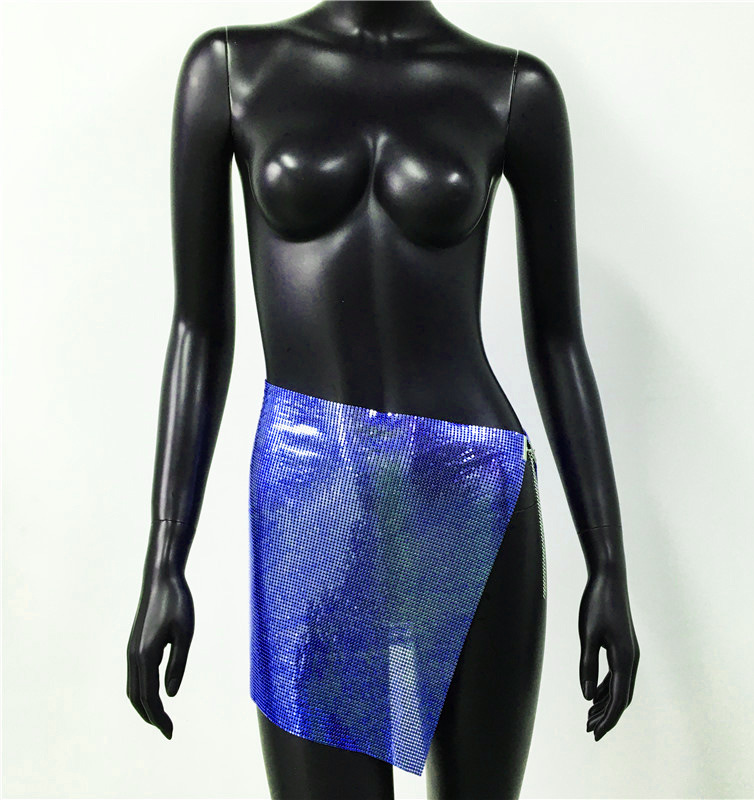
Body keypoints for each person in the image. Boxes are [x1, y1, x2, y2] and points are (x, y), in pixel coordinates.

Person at [127, 2, 640, 798]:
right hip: (312, 507)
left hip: (472, 492)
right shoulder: (229, 70)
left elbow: (558, 342)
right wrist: (165, 556)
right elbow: (199, 330)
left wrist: (608, 562)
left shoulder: (512, 88)